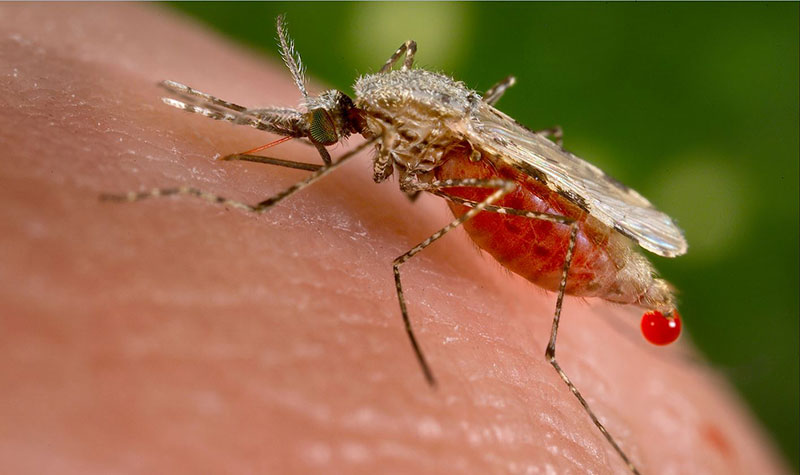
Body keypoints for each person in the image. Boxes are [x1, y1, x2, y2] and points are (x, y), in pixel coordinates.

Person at [0, 3, 788, 473]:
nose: (322, 134)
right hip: (476, 158)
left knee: (502, 204)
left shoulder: (386, 114)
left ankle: (562, 370)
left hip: (522, 191)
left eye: (323, 128)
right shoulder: (381, 104)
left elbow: (448, 142)